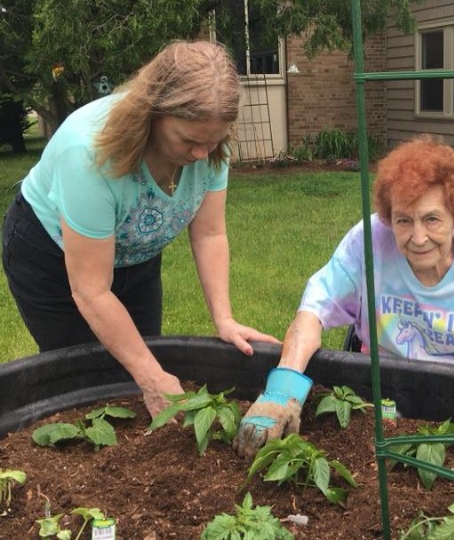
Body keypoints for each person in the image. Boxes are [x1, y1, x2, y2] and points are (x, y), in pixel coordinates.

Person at [2, 40, 278, 418]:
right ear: (153, 114)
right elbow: (91, 290)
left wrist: (224, 318)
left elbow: (209, 233)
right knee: (84, 388)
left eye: (212, 140)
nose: (201, 154)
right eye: (189, 140)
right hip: (52, 258)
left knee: (142, 368)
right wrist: (150, 375)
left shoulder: (211, 146)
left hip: (137, 253)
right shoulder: (89, 153)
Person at [232, 134, 454, 459]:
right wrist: (281, 392)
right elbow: (312, 312)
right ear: (388, 217)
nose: (418, 237)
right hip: (393, 381)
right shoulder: (368, 242)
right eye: (404, 221)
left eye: (432, 219)